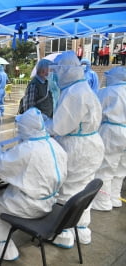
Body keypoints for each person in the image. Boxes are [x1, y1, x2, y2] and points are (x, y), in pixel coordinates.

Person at [0, 108, 67, 260]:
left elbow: (1, 166)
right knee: (5, 195)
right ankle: (2, 229)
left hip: (31, 207)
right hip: (50, 203)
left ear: (25, 128)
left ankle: (4, 246)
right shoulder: (54, 145)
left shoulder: (27, 149)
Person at [45, 51, 104, 247]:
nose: (55, 76)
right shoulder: (84, 88)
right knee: (83, 189)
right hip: (93, 144)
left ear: (65, 71)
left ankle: (64, 234)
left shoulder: (73, 93)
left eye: (57, 71)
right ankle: (82, 228)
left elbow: (59, 127)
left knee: (68, 190)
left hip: (77, 148)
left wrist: (42, 124)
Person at [91, 66, 126, 211]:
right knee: (121, 168)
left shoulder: (107, 92)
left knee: (105, 166)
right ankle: (115, 197)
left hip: (111, 130)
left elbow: (96, 112)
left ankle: (103, 201)